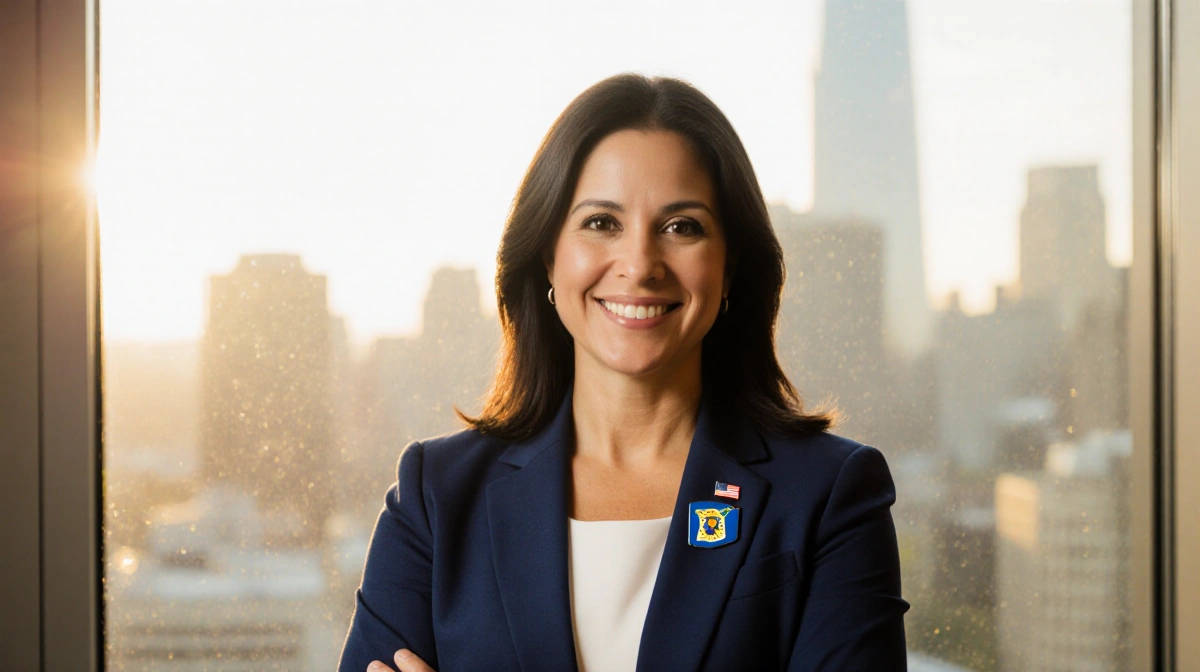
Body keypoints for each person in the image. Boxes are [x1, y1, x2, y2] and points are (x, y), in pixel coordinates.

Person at [338, 73, 910, 672]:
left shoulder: (830, 494)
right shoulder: (436, 495)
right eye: (601, 223)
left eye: (682, 227)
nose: (639, 265)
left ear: (730, 266)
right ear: (549, 255)